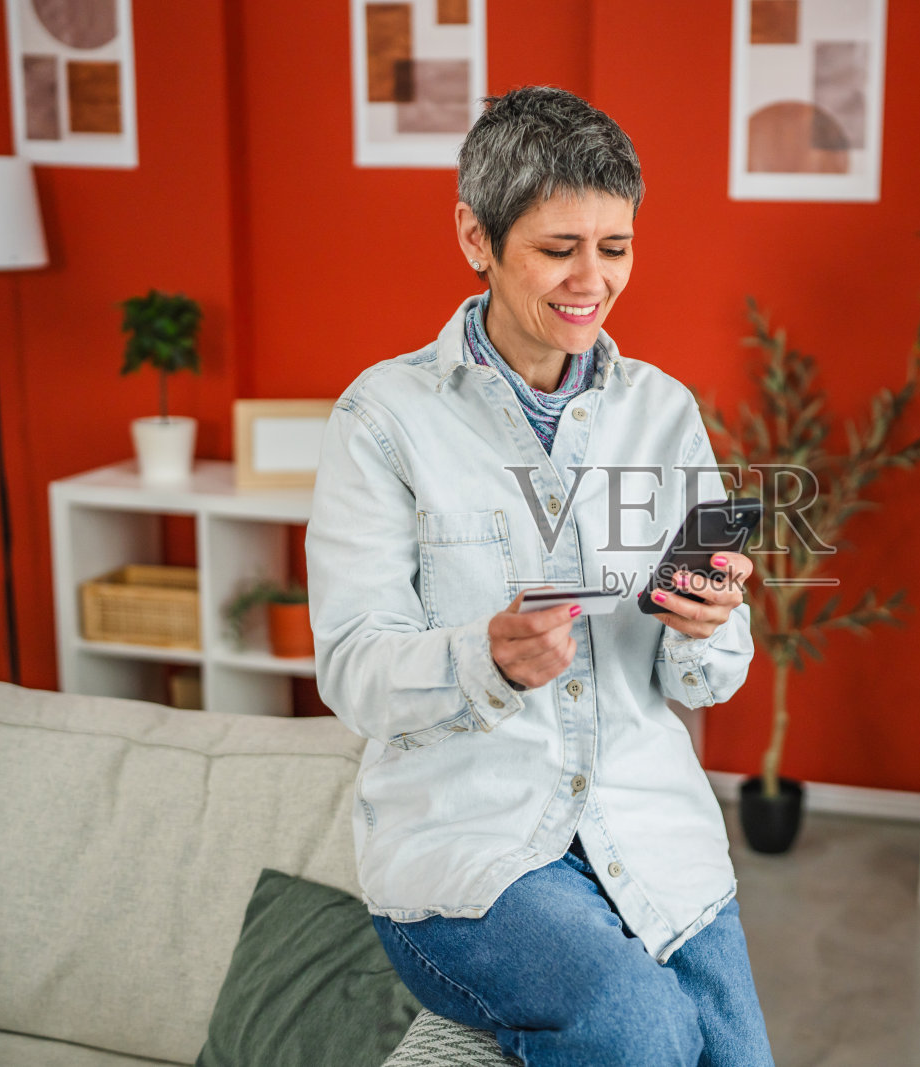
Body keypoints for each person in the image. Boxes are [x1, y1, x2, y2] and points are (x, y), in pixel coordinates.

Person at [305, 85, 774, 1067]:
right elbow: (352, 671)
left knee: (731, 1053)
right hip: (467, 849)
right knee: (640, 1027)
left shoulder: (663, 411)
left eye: (616, 247)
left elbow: (708, 681)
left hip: (650, 830)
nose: (591, 282)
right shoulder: (382, 419)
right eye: (559, 248)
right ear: (475, 236)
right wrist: (486, 657)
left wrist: (711, 623)